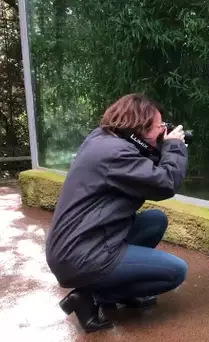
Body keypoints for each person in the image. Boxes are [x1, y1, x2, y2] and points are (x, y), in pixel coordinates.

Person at [44, 93, 189, 333]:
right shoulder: (115, 154)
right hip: (82, 254)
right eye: (159, 127)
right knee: (175, 272)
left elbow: (140, 163)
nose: (163, 131)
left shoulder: (102, 139)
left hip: (77, 245)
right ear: (139, 128)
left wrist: (160, 145)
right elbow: (165, 183)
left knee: (155, 221)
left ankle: (114, 290)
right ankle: (92, 295)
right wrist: (174, 147)